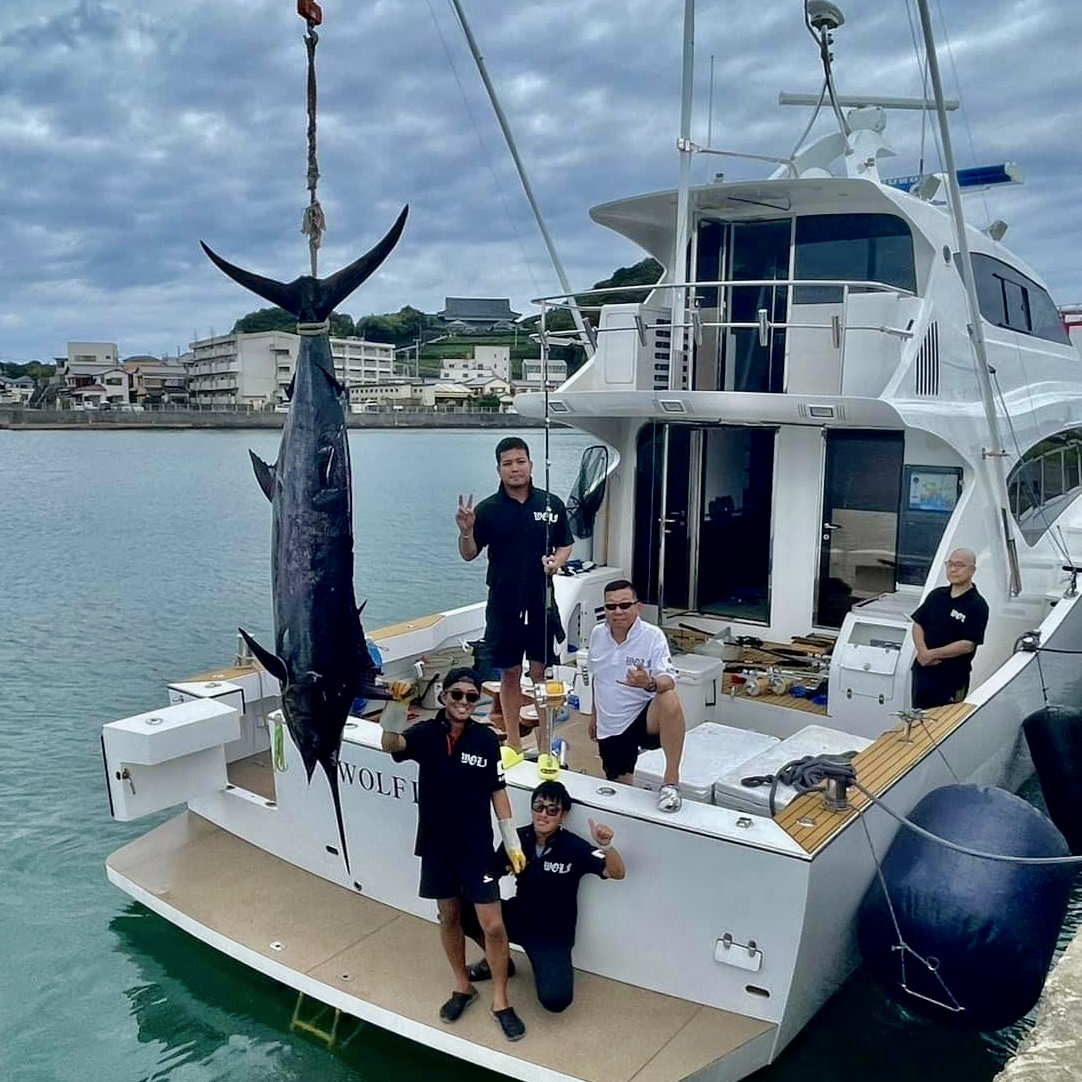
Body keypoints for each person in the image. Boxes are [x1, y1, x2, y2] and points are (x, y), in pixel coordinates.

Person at [379, 667, 528, 1042]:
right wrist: (396, 706)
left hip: (476, 849)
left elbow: (497, 791)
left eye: (471, 697)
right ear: (444, 696)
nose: (464, 701)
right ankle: (463, 985)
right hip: (436, 846)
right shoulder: (424, 734)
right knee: (449, 916)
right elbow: (390, 743)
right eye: (457, 694)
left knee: (493, 925)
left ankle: (500, 1000)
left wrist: (512, 841)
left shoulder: (486, 740)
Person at [461, 780, 625, 1013]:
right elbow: (489, 875)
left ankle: (525, 964)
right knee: (461, 909)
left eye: (552, 810)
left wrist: (606, 846)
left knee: (556, 1001)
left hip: (552, 936)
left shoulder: (574, 847)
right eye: (538, 807)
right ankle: (497, 960)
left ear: (563, 815)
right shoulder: (516, 839)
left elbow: (616, 873)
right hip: (517, 918)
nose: (543, 814)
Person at [456, 436, 574, 751]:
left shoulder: (551, 504)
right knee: (509, 673)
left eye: (520, 461)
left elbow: (565, 544)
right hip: (503, 604)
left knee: (540, 673)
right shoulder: (487, 510)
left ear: (531, 465)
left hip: (540, 603)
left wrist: (557, 562)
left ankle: (545, 744)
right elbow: (469, 554)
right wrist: (466, 531)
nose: (515, 468)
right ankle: (513, 743)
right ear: (499, 470)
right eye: (507, 463)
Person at [588, 579, 685, 812]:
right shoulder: (596, 634)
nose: (617, 611)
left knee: (669, 698)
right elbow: (596, 678)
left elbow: (669, 679)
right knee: (621, 793)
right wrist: (594, 716)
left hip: (644, 717)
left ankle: (671, 782)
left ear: (638, 607)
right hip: (611, 724)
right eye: (611, 606)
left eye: (624, 605)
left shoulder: (653, 636)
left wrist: (649, 682)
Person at [910, 548, 989, 709]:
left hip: (951, 679)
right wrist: (922, 652)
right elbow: (918, 623)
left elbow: (967, 644)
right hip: (923, 673)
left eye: (959, 565)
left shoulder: (977, 605)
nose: (953, 569)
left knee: (945, 720)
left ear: (972, 570)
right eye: (950, 564)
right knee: (919, 717)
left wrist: (931, 654)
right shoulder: (936, 595)